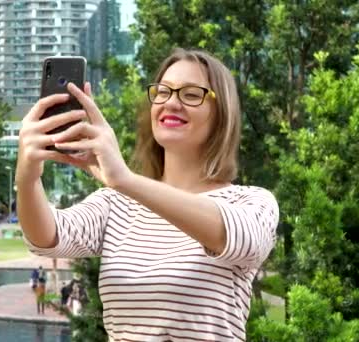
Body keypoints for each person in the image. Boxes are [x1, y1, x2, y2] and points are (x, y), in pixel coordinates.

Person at [16, 48, 279, 341]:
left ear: (222, 114)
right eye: (163, 92)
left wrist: (125, 180)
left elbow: (235, 235)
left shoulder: (250, 202)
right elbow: (46, 238)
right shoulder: (116, 204)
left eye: (191, 94)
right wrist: (27, 177)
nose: (172, 103)